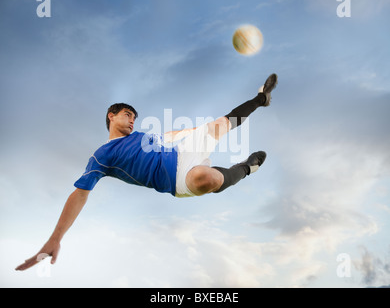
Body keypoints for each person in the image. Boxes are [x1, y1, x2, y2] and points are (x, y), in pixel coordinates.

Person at [15, 73, 278, 271]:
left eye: (134, 117)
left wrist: (198, 132)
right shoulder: (103, 155)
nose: (132, 120)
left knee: (222, 123)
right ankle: (247, 167)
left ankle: (260, 98)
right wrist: (55, 238)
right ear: (111, 116)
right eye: (127, 115)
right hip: (178, 180)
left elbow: (169, 136)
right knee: (207, 178)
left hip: (184, 151)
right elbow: (80, 194)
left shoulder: (142, 135)